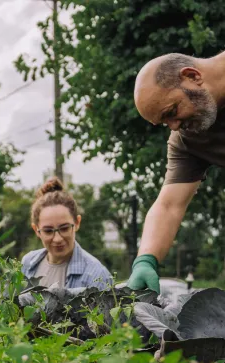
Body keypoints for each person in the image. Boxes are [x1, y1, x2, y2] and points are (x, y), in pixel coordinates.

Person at [129, 52, 225, 291]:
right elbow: (169, 205)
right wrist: (145, 260)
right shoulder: (188, 138)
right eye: (165, 123)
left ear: (192, 76)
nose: (174, 126)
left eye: (171, 112)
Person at [21, 178, 113, 290]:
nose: (57, 239)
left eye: (64, 228)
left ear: (77, 223)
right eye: (48, 231)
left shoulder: (96, 276)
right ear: (36, 230)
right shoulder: (28, 264)